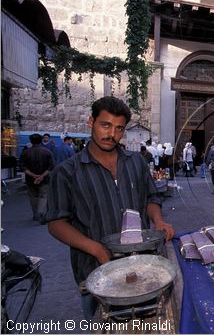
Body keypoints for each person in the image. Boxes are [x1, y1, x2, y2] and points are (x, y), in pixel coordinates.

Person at [45, 96, 175, 320]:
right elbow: (56, 223)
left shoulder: (136, 162)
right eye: (105, 125)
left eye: (118, 128)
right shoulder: (67, 172)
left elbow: (152, 197)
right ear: (91, 122)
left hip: (143, 266)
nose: (111, 134)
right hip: (95, 273)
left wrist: (158, 220)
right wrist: (96, 249)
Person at [19, 133, 55, 222]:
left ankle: (35, 214)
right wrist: (41, 176)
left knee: (33, 196)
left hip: (30, 179)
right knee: (43, 196)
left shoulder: (25, 152)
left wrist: (33, 175)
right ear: (41, 140)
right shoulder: (47, 152)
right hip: (45, 178)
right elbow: (51, 166)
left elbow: (22, 166)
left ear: (31, 141)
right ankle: (41, 213)